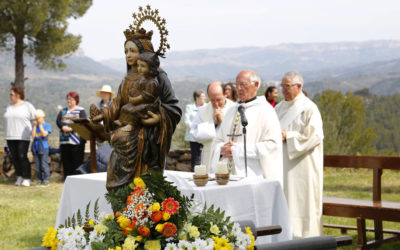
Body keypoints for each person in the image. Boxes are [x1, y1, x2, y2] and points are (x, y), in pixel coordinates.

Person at [91, 27, 181, 190]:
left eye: (133, 51)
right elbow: (118, 103)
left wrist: (159, 118)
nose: (128, 55)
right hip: (125, 134)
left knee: (142, 187)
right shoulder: (127, 77)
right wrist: (104, 114)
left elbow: (173, 107)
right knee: (119, 180)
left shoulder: (157, 76)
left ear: (145, 53)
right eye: (125, 51)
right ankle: (121, 203)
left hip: (147, 138)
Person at [210, 70, 283, 185]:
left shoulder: (266, 111)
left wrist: (237, 150)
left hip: (254, 178)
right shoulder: (231, 111)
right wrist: (221, 148)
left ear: (256, 85)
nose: (239, 88)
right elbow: (217, 141)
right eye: (237, 85)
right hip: (226, 177)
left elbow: (272, 146)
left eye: (243, 84)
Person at [275, 70, 324, 238]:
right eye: (282, 86)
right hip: (282, 164)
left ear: (299, 86)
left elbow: (315, 135)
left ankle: (306, 238)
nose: (284, 90)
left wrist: (287, 136)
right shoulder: (279, 107)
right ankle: (283, 236)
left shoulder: (309, 108)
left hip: (303, 165)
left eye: (287, 86)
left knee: (303, 202)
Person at [190, 81, 235, 171]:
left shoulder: (235, 108)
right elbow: (194, 133)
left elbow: (240, 132)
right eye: (212, 100)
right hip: (209, 155)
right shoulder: (202, 110)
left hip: (228, 156)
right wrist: (213, 124)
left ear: (225, 94)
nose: (216, 103)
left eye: (218, 100)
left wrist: (224, 122)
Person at [113, 51, 161, 131]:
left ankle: (132, 125)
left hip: (149, 105)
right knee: (125, 108)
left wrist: (135, 99)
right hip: (139, 102)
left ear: (151, 68)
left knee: (135, 111)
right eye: (138, 65)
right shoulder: (142, 79)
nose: (139, 68)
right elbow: (137, 89)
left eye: (143, 66)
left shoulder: (152, 82)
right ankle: (123, 121)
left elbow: (147, 96)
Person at [4, 87, 36, 186]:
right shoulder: (9, 106)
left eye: (11, 94)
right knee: (14, 157)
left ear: (18, 95)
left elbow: (36, 117)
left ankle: (27, 178)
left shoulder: (27, 106)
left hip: (23, 136)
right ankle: (19, 177)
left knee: (22, 156)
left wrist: (34, 130)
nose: (10, 96)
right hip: (10, 135)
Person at [56, 92, 87, 180]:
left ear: (76, 100)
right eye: (68, 99)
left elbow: (83, 122)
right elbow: (58, 121)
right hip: (64, 140)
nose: (69, 101)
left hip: (77, 141)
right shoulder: (63, 111)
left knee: (76, 161)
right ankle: (67, 179)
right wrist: (63, 126)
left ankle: (77, 178)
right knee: (66, 161)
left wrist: (72, 128)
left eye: (71, 99)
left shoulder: (80, 110)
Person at [184, 90, 206, 170]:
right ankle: (194, 172)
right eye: (202, 97)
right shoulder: (189, 107)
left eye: (204, 97)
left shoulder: (207, 107)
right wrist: (195, 129)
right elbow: (187, 121)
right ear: (197, 98)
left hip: (205, 135)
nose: (204, 98)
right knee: (195, 156)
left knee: (206, 155)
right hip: (193, 135)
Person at [31, 109, 52, 186]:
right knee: (37, 165)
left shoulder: (47, 125)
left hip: (44, 147)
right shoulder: (35, 126)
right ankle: (39, 179)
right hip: (36, 147)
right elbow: (33, 136)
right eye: (36, 118)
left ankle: (46, 179)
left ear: (43, 117)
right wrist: (34, 126)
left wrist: (40, 125)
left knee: (44, 164)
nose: (37, 120)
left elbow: (44, 134)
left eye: (39, 118)